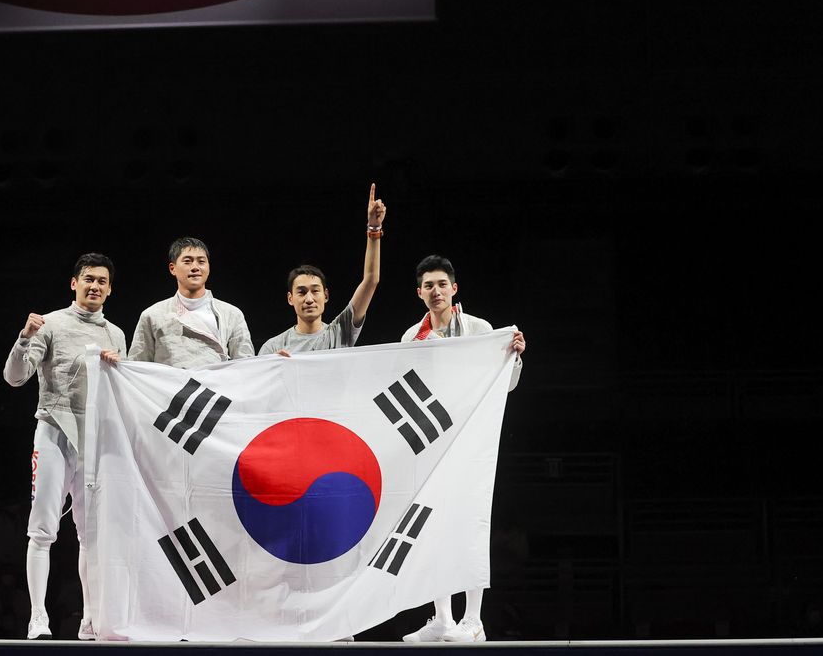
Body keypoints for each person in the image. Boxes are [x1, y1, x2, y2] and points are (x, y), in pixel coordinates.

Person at [401, 254, 525, 644]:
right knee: (432, 527)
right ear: (419, 293)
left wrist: (514, 357)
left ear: (454, 288)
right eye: (428, 286)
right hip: (432, 441)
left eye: (442, 284)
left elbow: (504, 384)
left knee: (469, 523)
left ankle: (473, 620)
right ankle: (442, 618)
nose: (435, 291)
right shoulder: (411, 338)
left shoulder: (479, 329)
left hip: (471, 438)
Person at [3, 253, 126, 641]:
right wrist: (24, 339)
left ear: (109, 288)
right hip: (55, 432)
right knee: (42, 530)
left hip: (95, 442)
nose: (95, 286)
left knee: (91, 535)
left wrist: (117, 366)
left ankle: (89, 619)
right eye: (89, 279)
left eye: (102, 281)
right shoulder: (51, 324)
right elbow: (15, 378)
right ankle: (38, 616)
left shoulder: (117, 334)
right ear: (74, 283)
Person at [259, 184, 386, 355]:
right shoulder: (272, 348)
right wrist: (273, 366)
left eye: (315, 291)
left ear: (325, 295)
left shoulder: (340, 332)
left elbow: (371, 280)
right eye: (302, 292)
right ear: (290, 298)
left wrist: (374, 228)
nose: (309, 299)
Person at [128, 237, 253, 368]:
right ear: (172, 268)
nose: (195, 267)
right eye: (187, 261)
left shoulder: (232, 314)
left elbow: (245, 366)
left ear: (208, 267)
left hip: (216, 387)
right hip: (172, 387)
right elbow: (137, 367)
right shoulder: (152, 315)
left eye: (201, 261)